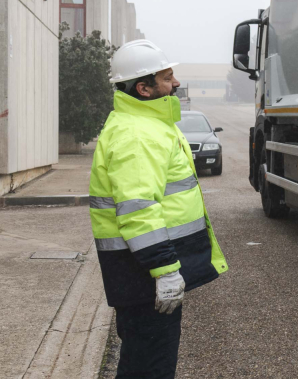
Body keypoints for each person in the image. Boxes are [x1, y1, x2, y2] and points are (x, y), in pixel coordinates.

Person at [89, 39, 228, 379]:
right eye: (167, 78)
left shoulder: (145, 125)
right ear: (144, 88)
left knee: (143, 364)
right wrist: (164, 271)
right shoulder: (138, 134)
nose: (176, 83)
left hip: (139, 274)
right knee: (150, 369)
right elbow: (139, 211)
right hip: (144, 277)